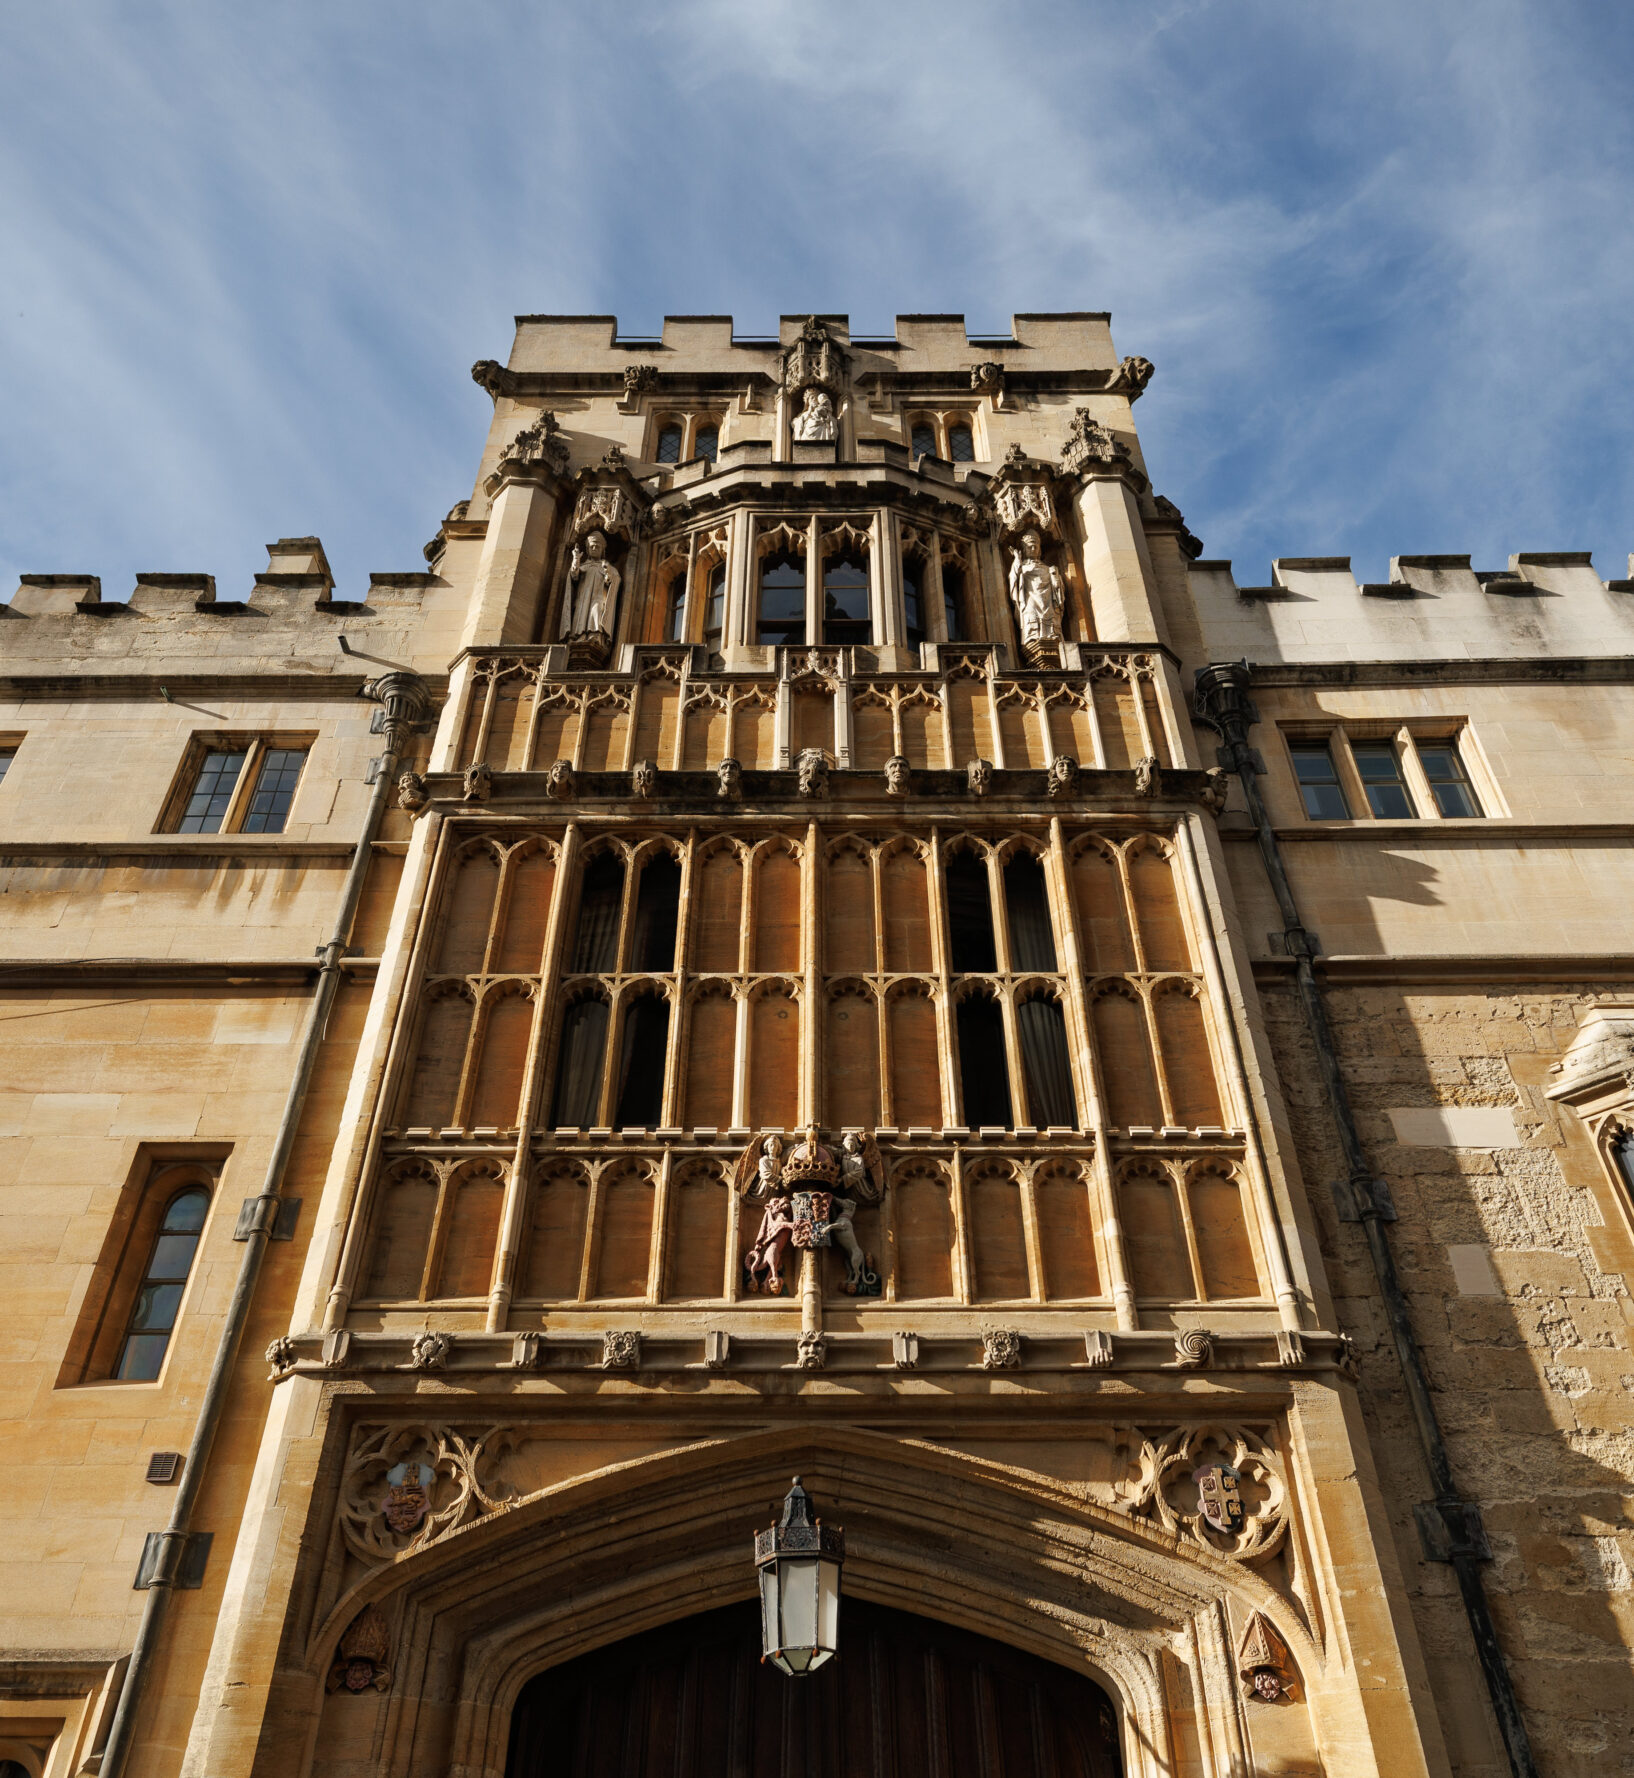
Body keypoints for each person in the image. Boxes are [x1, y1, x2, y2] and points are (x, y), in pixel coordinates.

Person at [1007, 528, 1063, 646]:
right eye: (1030, 547)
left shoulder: (1048, 568)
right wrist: (1017, 561)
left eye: (1035, 547)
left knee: (1051, 623)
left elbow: (1058, 592)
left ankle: (1052, 636)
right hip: (1030, 600)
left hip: (1048, 603)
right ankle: (1032, 638)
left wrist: (1055, 578)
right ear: (1024, 549)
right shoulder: (1021, 567)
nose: (1033, 549)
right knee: (1031, 617)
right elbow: (1014, 581)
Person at [566, 530, 620, 635]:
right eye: (591, 547)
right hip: (582, 598)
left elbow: (612, 583)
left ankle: (596, 638)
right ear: (587, 549)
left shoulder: (608, 567)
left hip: (599, 598)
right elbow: (574, 576)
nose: (594, 548)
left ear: (603, 549)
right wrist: (576, 559)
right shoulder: (582, 566)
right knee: (580, 616)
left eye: (597, 547)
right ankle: (578, 637)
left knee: (597, 613)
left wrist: (608, 572)